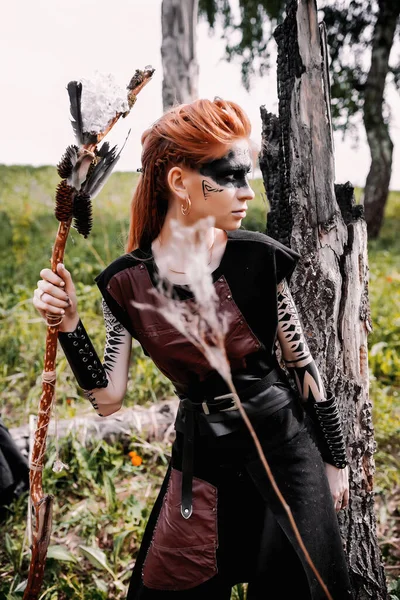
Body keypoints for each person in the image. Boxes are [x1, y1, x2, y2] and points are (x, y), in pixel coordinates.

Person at [33, 98, 353, 599]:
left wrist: (333, 462)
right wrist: (71, 326)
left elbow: (304, 368)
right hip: (201, 461)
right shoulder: (126, 285)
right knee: (172, 583)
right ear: (180, 183)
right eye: (230, 176)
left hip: (285, 450)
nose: (247, 192)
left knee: (301, 587)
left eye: (247, 176)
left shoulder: (258, 259)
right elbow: (108, 400)